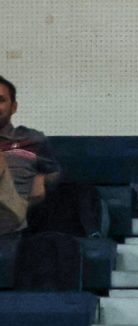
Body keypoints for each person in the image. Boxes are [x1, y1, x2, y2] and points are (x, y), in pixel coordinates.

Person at [0, 76, 60, 236]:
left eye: (0, 100)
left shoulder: (31, 140)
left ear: (13, 107)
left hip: (11, 219)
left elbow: (53, 172)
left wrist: (42, 178)